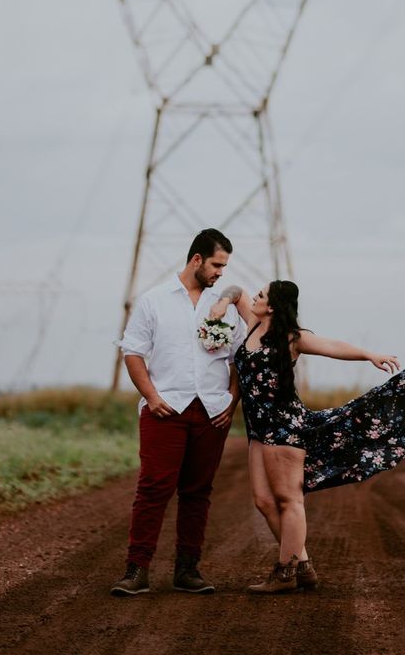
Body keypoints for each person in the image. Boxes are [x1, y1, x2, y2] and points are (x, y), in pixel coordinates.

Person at [209, 280, 405, 594]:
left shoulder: (291, 338)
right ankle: (303, 565)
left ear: (271, 306)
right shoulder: (254, 322)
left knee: (289, 499)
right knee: (264, 501)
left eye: (262, 295)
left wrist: (368, 354)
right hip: (258, 429)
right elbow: (236, 290)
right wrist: (222, 302)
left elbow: (333, 346)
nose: (255, 296)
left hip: (284, 428)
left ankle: (285, 571)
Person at [110, 228, 245, 597]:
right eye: (217, 264)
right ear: (197, 259)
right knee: (153, 488)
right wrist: (151, 397)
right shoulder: (154, 300)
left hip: (211, 412)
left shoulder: (225, 306)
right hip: (165, 409)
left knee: (198, 492)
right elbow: (133, 351)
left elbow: (240, 359)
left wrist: (231, 400)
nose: (221, 272)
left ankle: (188, 570)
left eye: (225, 266)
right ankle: (136, 570)